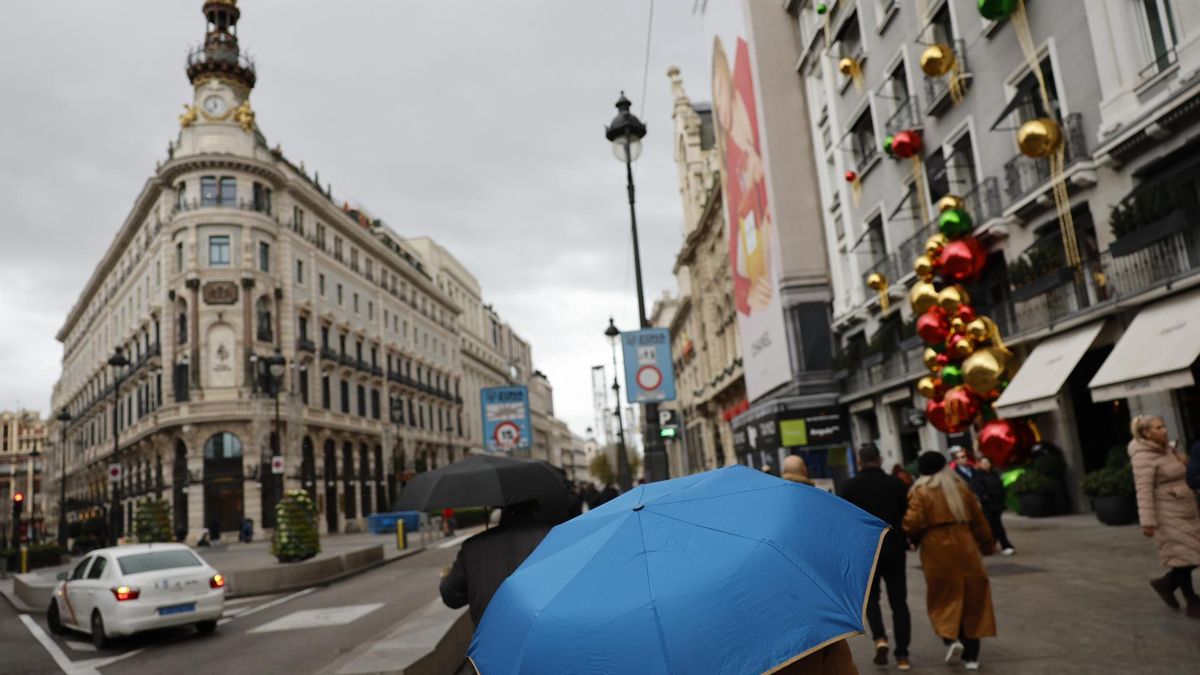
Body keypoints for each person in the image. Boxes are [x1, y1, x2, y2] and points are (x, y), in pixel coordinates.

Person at [904, 451, 997, 671]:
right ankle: (972, 656)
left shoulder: (921, 491)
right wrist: (987, 545)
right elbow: (980, 520)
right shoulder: (961, 488)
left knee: (943, 596)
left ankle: (951, 638)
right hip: (965, 545)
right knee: (973, 596)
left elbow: (911, 523)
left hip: (936, 548)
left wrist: (911, 539)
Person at [778, 451, 857, 674]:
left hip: (784, 597)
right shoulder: (819, 499)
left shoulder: (771, 503)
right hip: (816, 594)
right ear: (804, 471)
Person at [838, 444, 912, 671]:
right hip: (895, 549)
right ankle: (902, 656)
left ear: (859, 461)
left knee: (871, 599)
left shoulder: (849, 487)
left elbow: (844, 521)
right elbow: (907, 514)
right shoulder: (896, 484)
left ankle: (880, 638)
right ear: (879, 459)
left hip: (866, 552)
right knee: (899, 602)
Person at [1128, 415, 1200, 619]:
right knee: (1182, 558)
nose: (1164, 430)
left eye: (1164, 426)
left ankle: (1165, 584)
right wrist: (1148, 522)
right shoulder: (1142, 456)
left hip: (1185, 508)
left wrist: (1183, 462)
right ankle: (1192, 602)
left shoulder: (1166, 448)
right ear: (1146, 433)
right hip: (1166, 511)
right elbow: (1143, 490)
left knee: (1192, 553)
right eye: (1158, 428)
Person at [440, 500, 551, 626]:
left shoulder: (473, 547)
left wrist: (445, 576)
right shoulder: (553, 537)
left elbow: (452, 597)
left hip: (489, 638)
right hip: (541, 633)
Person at [975, 457, 1014, 555]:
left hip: (997, 504)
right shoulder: (978, 476)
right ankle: (1004, 544)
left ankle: (993, 545)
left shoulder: (995, 474)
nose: (985, 464)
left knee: (995, 525)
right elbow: (978, 489)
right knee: (994, 525)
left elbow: (1001, 487)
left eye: (987, 462)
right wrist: (984, 496)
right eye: (983, 462)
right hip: (986, 505)